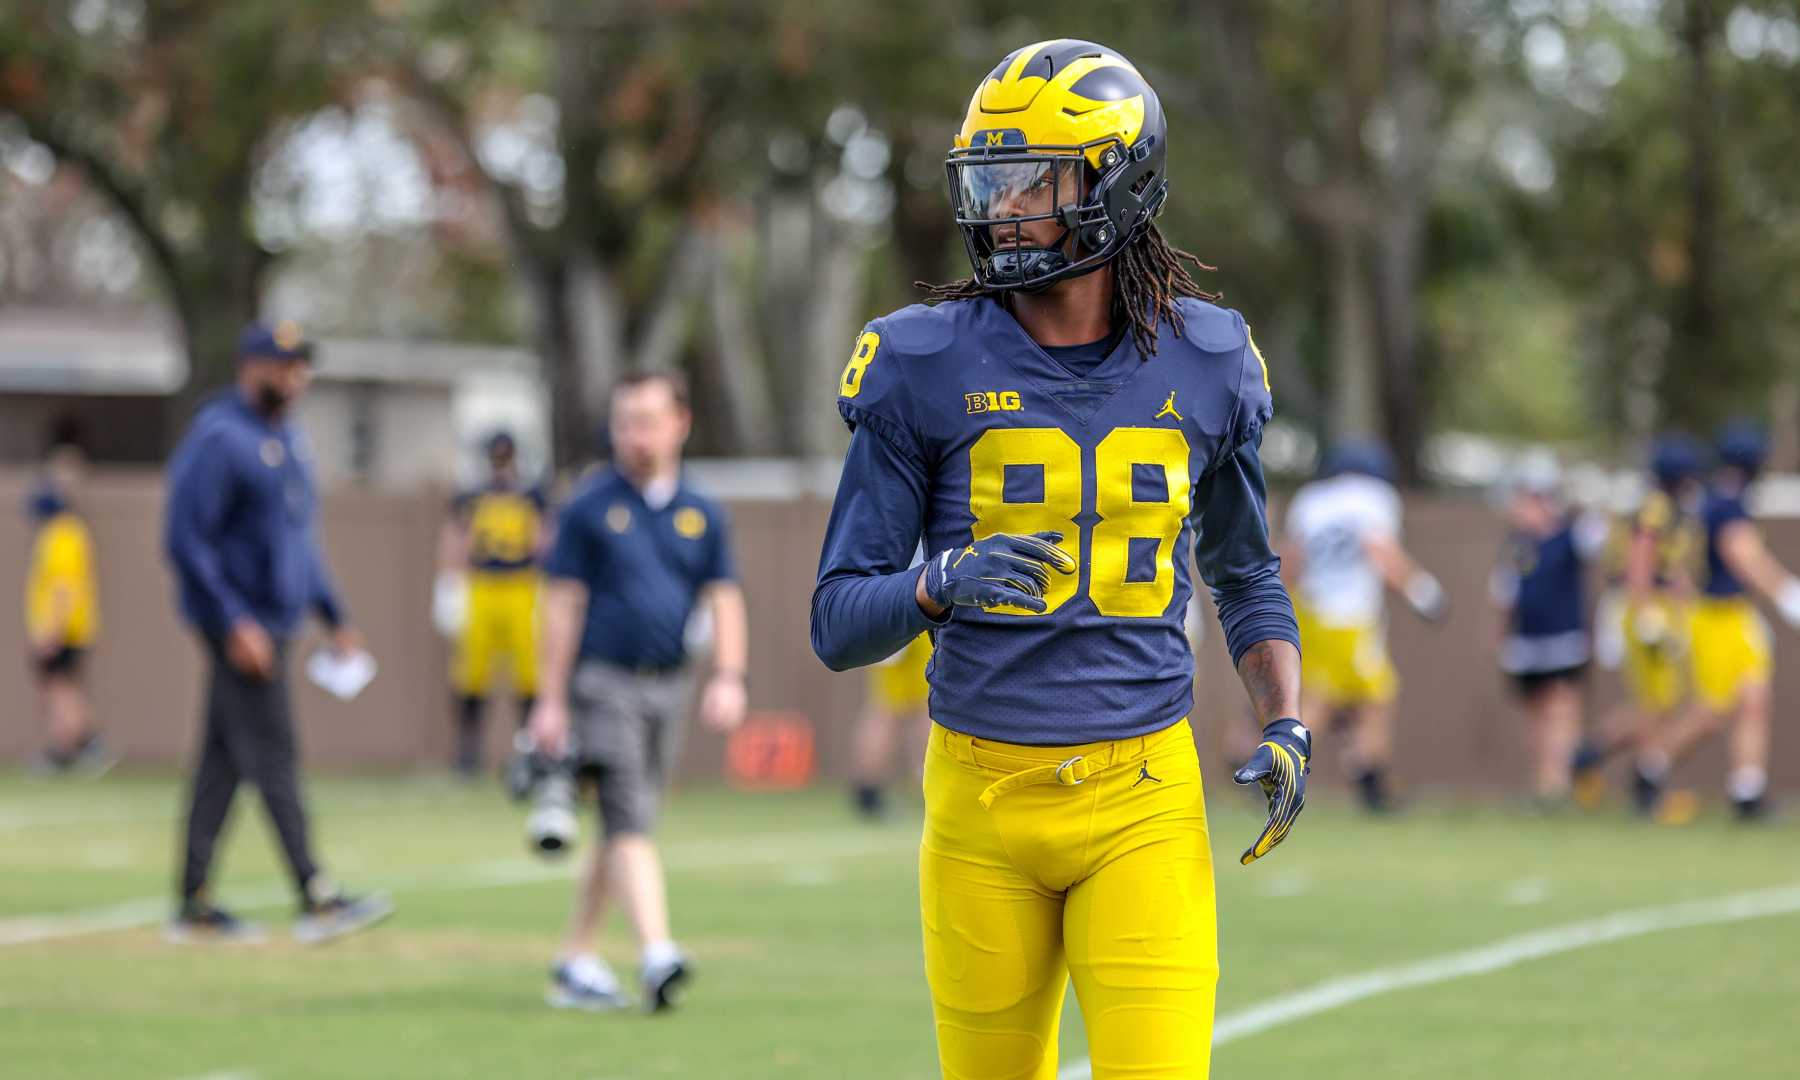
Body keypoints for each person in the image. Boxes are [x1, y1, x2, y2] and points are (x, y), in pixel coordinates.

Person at [810, 40, 1307, 1079]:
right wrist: (935, 586)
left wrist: (1285, 717)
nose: (1004, 207)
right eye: (989, 180)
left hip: (1143, 794)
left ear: (1119, 186)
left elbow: (1245, 572)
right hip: (978, 800)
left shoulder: (1209, 359)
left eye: (1035, 177)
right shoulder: (921, 357)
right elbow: (836, 618)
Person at [163, 320, 393, 944]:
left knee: (222, 764)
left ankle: (193, 901)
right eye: (283, 365)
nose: (296, 378)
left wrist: (335, 616)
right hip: (242, 625)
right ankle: (316, 896)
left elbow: (299, 544)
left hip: (278, 621)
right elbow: (186, 540)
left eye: (301, 367)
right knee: (275, 755)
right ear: (250, 366)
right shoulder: (220, 438)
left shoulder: (288, 441)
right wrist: (233, 618)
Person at [528, 371, 749, 1012]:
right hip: (603, 682)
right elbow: (562, 605)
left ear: (680, 422)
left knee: (629, 823)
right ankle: (657, 952)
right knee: (626, 812)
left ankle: (574, 957)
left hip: (669, 684)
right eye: (625, 421)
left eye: (648, 420)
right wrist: (549, 700)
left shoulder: (701, 511)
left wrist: (730, 676)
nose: (635, 436)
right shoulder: (590, 505)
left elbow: (725, 597)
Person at [1635, 424, 1800, 820]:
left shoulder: (1715, 500)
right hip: (1718, 617)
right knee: (1713, 711)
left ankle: (1747, 791)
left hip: (1730, 615)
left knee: (1754, 699)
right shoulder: (1726, 502)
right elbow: (1740, 553)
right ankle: (1651, 766)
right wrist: (1787, 594)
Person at [1281, 441, 1446, 812]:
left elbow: (1293, 560)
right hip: (1350, 617)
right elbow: (1378, 548)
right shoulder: (1373, 498)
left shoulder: (1311, 499)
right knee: (1369, 695)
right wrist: (1423, 592)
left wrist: (1282, 608)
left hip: (1313, 611)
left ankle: (1361, 771)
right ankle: (1349, 777)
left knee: (1333, 696)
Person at [1571, 435, 1705, 808]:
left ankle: (1600, 760)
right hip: (1641, 607)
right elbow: (1640, 561)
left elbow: (1674, 571)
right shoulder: (1657, 507)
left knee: (1659, 702)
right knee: (1656, 702)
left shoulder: (1671, 510)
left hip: (1654, 606)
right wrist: (1645, 610)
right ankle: (1632, 781)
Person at [1489, 452, 1609, 804]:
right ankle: (1544, 783)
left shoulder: (1572, 536)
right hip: (1527, 642)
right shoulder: (1517, 545)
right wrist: (1500, 636)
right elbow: (1505, 594)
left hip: (1564, 639)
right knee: (1538, 713)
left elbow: (1602, 535)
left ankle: (1561, 783)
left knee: (1562, 708)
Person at [438, 431, 547, 778]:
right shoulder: (471, 497)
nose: (501, 467)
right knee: (471, 673)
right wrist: (449, 584)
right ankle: (467, 752)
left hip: (521, 586)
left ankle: (533, 747)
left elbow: (543, 538)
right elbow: (455, 537)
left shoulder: (531, 497)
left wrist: (549, 583)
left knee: (529, 673)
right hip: (481, 586)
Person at [23, 447, 113, 776]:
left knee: (59, 689)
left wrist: (51, 630)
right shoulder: (70, 532)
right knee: (66, 688)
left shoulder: (62, 533)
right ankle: (81, 745)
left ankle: (69, 749)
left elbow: (62, 587)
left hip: (64, 628)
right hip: (73, 627)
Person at [849, 630, 933, 819]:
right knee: (917, 708)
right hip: (914, 614)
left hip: (885, 617)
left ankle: (868, 790)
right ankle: (926, 786)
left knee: (889, 706)